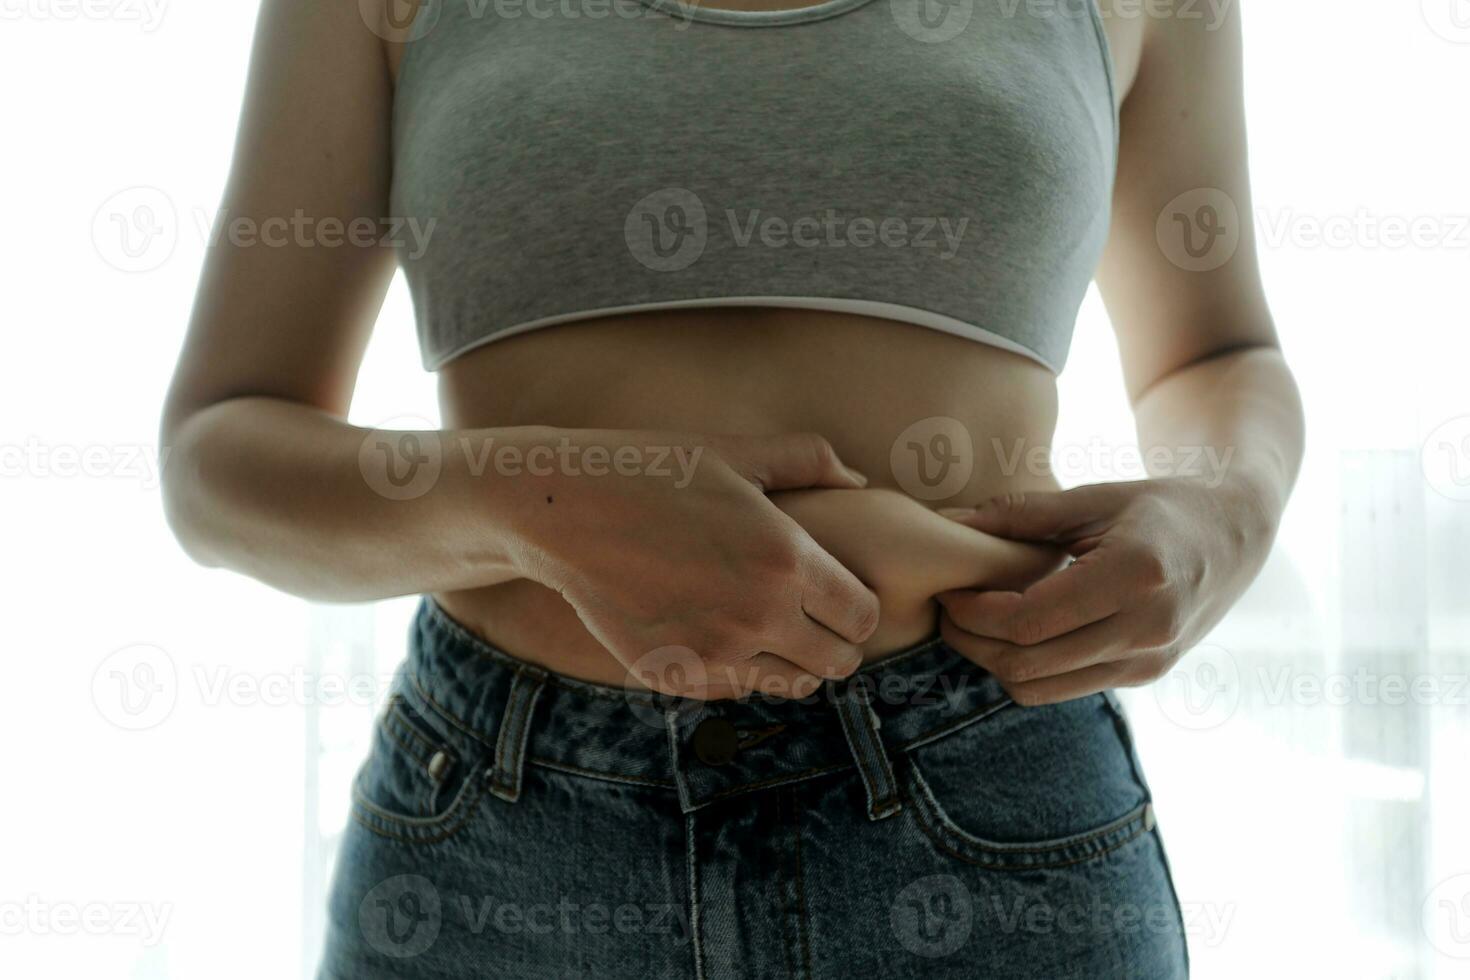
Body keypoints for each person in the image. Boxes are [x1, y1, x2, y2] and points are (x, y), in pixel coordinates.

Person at [160, 0, 1303, 975]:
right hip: (503, 841)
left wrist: (1222, 512)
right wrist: (545, 504)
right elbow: (219, 452)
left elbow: (1216, 353)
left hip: (988, 796)